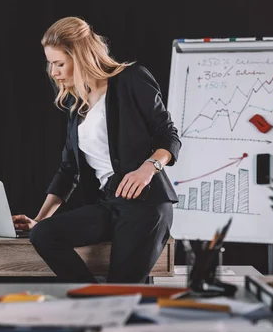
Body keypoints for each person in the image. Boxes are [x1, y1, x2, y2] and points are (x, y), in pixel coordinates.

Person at [12, 17, 181, 283]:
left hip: (146, 206)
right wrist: (39, 219)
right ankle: (96, 299)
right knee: (43, 235)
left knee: (124, 289)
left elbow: (169, 135)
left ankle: (108, 304)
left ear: (80, 57)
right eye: (50, 64)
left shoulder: (131, 79)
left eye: (59, 63)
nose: (53, 72)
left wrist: (149, 168)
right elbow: (68, 170)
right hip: (110, 204)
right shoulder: (76, 105)